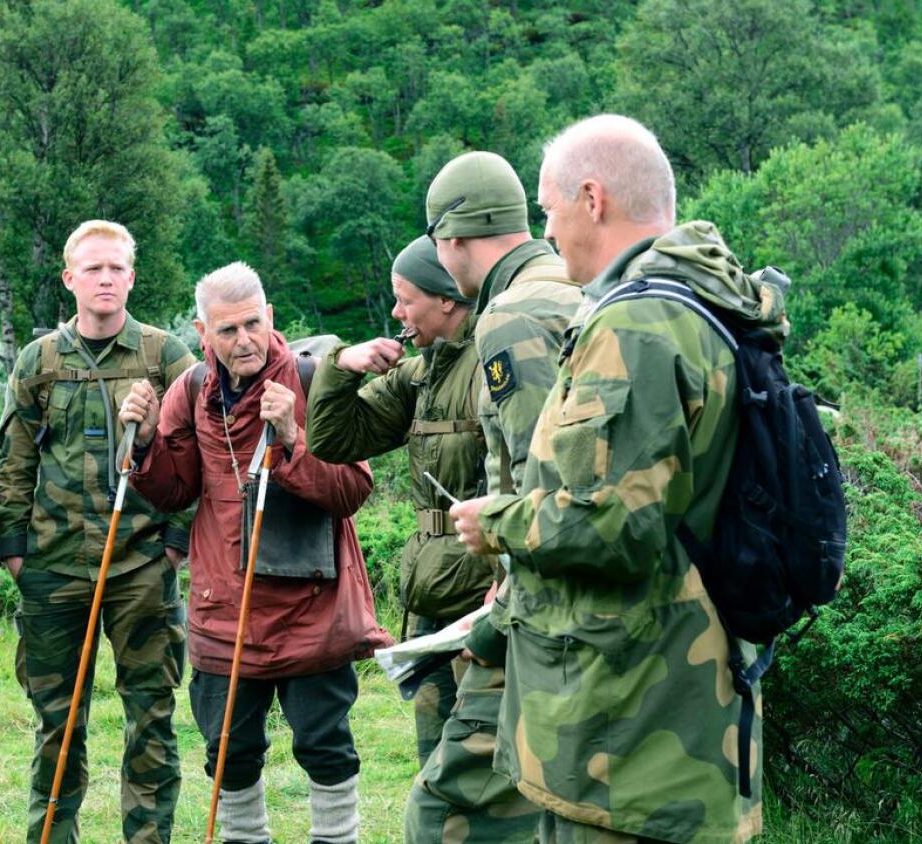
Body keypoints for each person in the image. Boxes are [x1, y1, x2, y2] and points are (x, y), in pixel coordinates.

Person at [449, 114, 785, 843]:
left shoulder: (637, 326)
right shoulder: (703, 307)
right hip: (676, 713)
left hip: (628, 737)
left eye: (548, 209)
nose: (548, 230)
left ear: (592, 199)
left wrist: (497, 522)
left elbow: (616, 525)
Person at [120, 261, 392, 844]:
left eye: (252, 324)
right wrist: (143, 444)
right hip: (224, 608)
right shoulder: (192, 388)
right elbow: (173, 490)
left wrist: (294, 439)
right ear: (203, 333)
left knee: (325, 747)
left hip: (313, 606)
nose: (243, 340)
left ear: (270, 316)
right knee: (227, 752)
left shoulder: (315, 379)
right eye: (227, 330)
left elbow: (351, 492)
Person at [405, 150, 589, 843]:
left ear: (452, 239)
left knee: (444, 816)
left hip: (542, 613)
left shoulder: (513, 316)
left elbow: (551, 482)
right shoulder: (572, 289)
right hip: (572, 602)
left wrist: (499, 608)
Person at [0, 220, 195, 844]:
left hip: (140, 565)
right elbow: (15, 459)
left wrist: (175, 542)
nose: (105, 279)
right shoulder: (40, 359)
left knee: (151, 717)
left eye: (116, 268)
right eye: (93, 269)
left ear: (131, 277)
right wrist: (15, 550)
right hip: (53, 567)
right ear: (70, 279)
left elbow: (198, 451)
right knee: (57, 722)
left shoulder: (166, 356)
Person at [305, 235, 493, 766]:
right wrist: (342, 365)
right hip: (431, 595)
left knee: (477, 760)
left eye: (405, 298)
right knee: (435, 760)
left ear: (447, 300)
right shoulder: (421, 372)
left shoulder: (490, 361)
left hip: (480, 590)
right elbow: (334, 439)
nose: (396, 311)